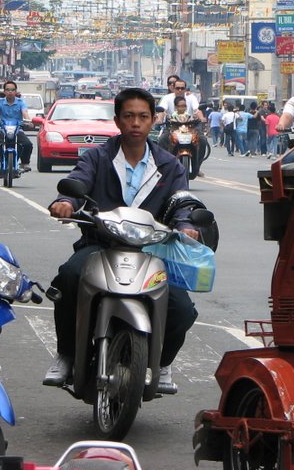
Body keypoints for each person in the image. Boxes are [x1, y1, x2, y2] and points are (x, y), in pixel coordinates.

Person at [44, 88, 199, 393]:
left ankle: (163, 362)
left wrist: (186, 225)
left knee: (182, 308)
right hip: (100, 245)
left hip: (151, 250)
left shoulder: (170, 165)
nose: (136, 123)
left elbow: (183, 203)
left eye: (143, 117)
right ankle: (66, 356)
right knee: (69, 278)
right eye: (129, 116)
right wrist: (65, 202)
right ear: (117, 120)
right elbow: (77, 183)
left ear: (154, 120)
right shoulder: (98, 157)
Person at [0, 80, 32, 172]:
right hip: (3, 129)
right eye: (7, 90)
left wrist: (28, 121)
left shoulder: (21, 102)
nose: (10, 92)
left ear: (16, 91)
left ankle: (24, 163)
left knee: (28, 144)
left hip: (17, 129)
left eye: (12, 90)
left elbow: (25, 113)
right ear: (4, 92)